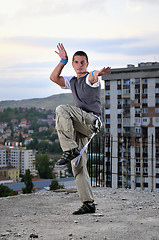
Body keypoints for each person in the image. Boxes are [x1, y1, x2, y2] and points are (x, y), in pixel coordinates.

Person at [50, 43, 111, 215]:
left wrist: (98, 73)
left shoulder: (90, 79)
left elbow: (93, 76)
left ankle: (69, 149)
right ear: (73, 64)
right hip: (80, 125)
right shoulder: (73, 81)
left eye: (82, 62)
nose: (79, 65)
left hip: (91, 122)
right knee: (77, 165)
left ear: (87, 64)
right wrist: (63, 60)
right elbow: (54, 77)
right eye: (76, 62)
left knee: (61, 109)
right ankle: (88, 203)